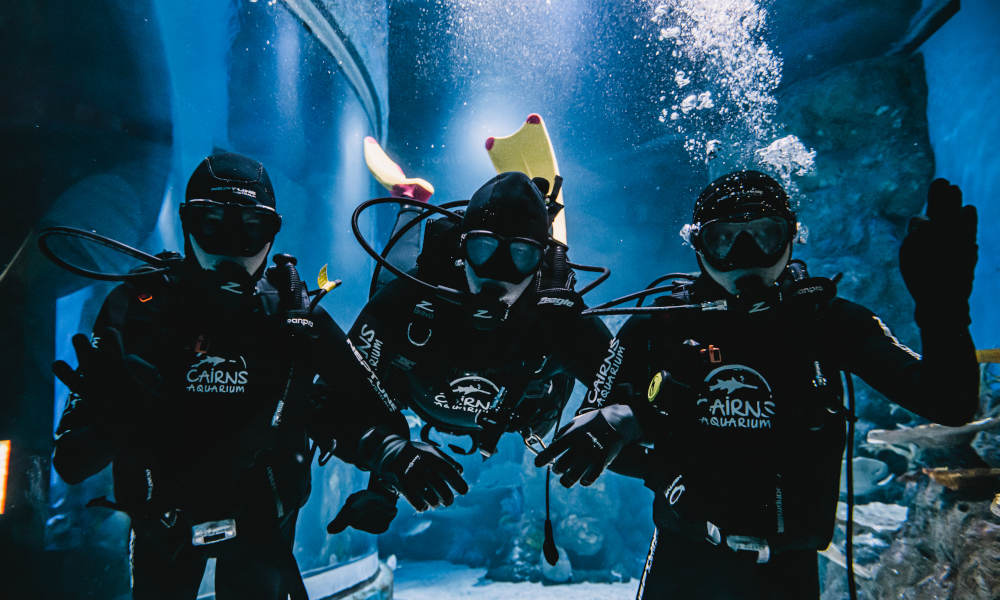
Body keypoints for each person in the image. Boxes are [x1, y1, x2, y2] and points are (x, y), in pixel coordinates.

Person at [534, 170, 980, 599]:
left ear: (791, 237)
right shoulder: (660, 325)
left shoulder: (826, 323)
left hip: (786, 572)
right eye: (724, 239)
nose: (745, 256)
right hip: (684, 561)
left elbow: (950, 403)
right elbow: (589, 441)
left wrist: (943, 309)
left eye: (764, 235)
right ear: (699, 246)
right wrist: (631, 424)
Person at [50, 152, 467, 600]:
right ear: (187, 223)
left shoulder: (294, 317)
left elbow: (361, 407)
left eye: (251, 229)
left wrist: (393, 460)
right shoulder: (137, 311)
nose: (231, 248)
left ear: (272, 234)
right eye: (212, 224)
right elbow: (71, 463)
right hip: (164, 517)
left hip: (261, 522)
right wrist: (110, 418)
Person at [328, 171, 612, 536]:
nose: (498, 272)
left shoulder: (558, 317)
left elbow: (633, 385)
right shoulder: (410, 299)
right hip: (416, 393)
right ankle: (409, 201)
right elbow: (332, 397)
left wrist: (614, 422)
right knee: (391, 279)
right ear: (462, 248)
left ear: (540, 259)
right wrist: (387, 459)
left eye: (520, 254)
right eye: (484, 248)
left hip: (510, 414)